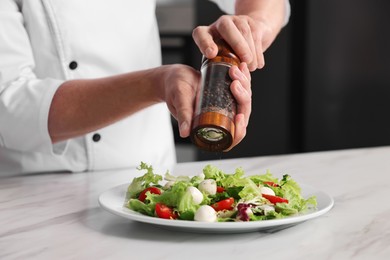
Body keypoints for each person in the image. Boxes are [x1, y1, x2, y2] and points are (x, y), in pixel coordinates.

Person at [0, 0, 290, 176]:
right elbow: (10, 109)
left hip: (151, 180)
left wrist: (248, 31)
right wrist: (156, 83)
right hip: (36, 188)